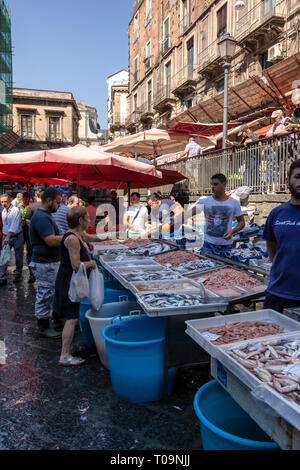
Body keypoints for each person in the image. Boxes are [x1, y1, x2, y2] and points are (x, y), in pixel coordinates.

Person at [53, 206, 97, 366]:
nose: (90, 220)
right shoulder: (72, 238)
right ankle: (65, 356)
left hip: (70, 282)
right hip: (67, 283)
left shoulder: (77, 234)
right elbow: (76, 266)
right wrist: (91, 263)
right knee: (71, 318)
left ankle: (70, 348)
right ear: (80, 221)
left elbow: (90, 239)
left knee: (72, 316)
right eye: (87, 217)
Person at [263, 159, 300, 312]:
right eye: (298, 176)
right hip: (277, 294)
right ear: (288, 181)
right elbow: (271, 247)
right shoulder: (276, 214)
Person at [29, 187, 63, 338]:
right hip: (44, 263)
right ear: (48, 200)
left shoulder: (46, 214)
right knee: (45, 295)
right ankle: (43, 327)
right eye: (57, 202)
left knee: (50, 293)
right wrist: (69, 236)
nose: (59, 206)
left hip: (49, 262)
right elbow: (50, 240)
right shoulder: (42, 217)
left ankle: (52, 321)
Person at [194, 174, 245, 255]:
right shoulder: (205, 202)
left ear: (224, 184)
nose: (212, 187)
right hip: (208, 245)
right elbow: (188, 213)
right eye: (211, 184)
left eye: (215, 184)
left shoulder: (234, 203)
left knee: (224, 267)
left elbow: (242, 222)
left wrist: (232, 231)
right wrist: (174, 220)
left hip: (226, 245)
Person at [0, 193, 24, 286]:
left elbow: (14, 224)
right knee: (3, 257)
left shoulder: (15, 210)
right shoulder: (2, 211)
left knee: (18, 256)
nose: (3, 203)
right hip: (6, 236)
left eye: (5, 201)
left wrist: (7, 236)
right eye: (1, 202)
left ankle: (18, 274)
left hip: (17, 236)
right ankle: (2, 277)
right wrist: (5, 236)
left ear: (10, 201)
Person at [19, 192, 36, 283]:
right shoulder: (19, 208)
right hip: (21, 233)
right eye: (24, 198)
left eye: (27, 198)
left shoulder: (32, 207)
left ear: (29, 198)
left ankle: (32, 274)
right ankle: (19, 272)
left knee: (30, 254)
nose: (25, 200)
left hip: (30, 234)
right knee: (20, 254)